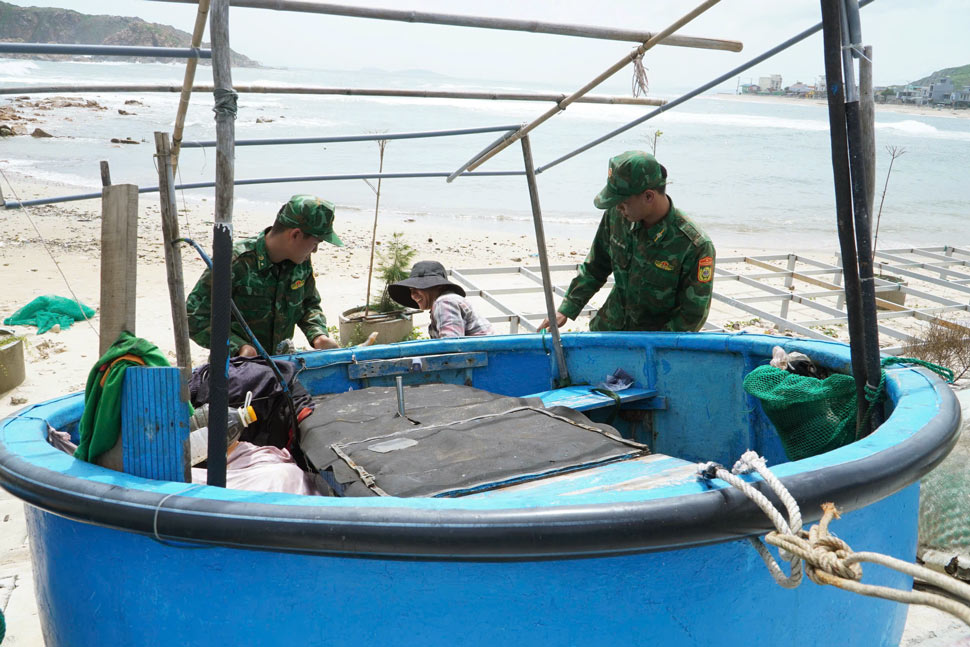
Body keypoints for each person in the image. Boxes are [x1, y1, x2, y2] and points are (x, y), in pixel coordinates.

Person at [538, 150, 715, 333]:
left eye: (623, 203)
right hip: (609, 329)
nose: (618, 209)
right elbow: (595, 267)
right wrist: (566, 309)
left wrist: (650, 348)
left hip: (654, 343)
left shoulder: (694, 246)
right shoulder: (618, 217)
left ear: (648, 196)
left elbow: (692, 316)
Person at [186, 194, 343, 357]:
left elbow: (308, 303)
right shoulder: (236, 262)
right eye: (315, 243)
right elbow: (193, 316)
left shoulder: (300, 262)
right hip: (236, 370)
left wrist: (318, 335)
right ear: (295, 235)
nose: (315, 250)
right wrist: (239, 347)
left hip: (281, 366)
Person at [388, 261, 493, 338]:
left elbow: (451, 344)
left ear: (439, 286)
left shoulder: (445, 302)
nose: (413, 295)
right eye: (411, 290)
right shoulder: (446, 301)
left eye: (418, 288)